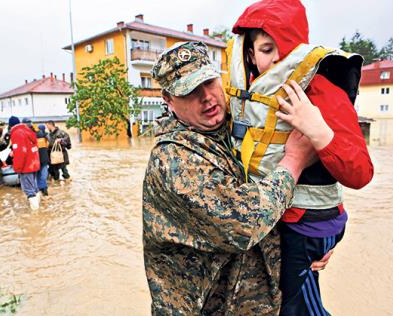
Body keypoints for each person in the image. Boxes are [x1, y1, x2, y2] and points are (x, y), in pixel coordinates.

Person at [143, 41, 325, 314]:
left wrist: (310, 242)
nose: (206, 97)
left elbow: (271, 196)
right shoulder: (173, 159)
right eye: (190, 91)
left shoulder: (234, 131)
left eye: (209, 82)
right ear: (168, 101)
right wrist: (294, 162)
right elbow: (245, 223)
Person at [229, 1, 374, 315]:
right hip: (277, 224)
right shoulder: (245, 93)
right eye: (267, 50)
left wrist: (317, 130)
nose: (279, 59)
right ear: (250, 55)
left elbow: (361, 173)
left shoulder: (320, 88)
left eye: (287, 49)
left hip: (307, 225)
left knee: (298, 311)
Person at [10, 118, 41, 210]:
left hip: (26, 166)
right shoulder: (28, 131)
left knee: (29, 191)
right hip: (34, 163)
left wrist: (18, 168)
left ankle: (35, 214)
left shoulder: (17, 133)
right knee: (35, 188)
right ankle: (38, 208)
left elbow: (21, 152)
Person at [35, 124, 50, 196]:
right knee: (43, 175)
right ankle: (44, 189)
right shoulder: (45, 136)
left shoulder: (33, 137)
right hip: (44, 160)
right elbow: (48, 146)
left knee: (38, 175)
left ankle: (39, 189)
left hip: (36, 160)